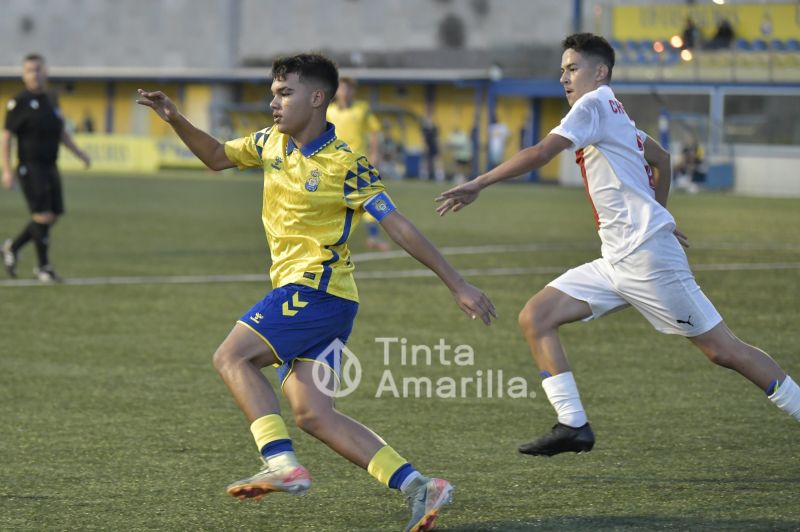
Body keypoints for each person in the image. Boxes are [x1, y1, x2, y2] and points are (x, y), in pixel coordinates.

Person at [137, 53, 496, 531]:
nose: (274, 102)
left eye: (285, 93)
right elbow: (218, 156)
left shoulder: (345, 163)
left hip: (316, 292)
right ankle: (419, 485)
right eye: (273, 93)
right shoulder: (269, 143)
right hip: (327, 301)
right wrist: (175, 118)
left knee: (232, 357)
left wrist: (457, 283)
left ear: (317, 97)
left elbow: (398, 225)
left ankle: (282, 466)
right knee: (313, 414)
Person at [436, 33, 799, 457]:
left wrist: (479, 182)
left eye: (572, 69)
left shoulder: (593, 105)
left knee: (724, 350)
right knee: (537, 316)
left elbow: (539, 152)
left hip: (647, 260)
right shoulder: (617, 115)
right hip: (617, 262)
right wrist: (659, 215)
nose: (564, 78)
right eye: (562, 71)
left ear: (600, 72)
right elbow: (660, 158)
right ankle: (573, 425)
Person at [2, 53, 91, 282]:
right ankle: (43, 268)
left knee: (53, 215)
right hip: (30, 167)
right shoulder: (19, 102)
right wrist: (7, 169)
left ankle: (12, 248)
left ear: (46, 71)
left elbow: (61, 132)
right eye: (30, 70)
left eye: (38, 69)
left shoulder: (51, 100)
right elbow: (6, 137)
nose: (35, 73)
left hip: (51, 165)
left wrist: (79, 153)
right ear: (23, 75)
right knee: (42, 216)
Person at [326, 77, 390, 251]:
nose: (344, 92)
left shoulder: (362, 109)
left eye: (348, 89)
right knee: (330, 202)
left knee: (370, 198)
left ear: (353, 91)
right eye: (341, 89)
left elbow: (375, 130)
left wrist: (375, 153)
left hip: (357, 164)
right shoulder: (329, 111)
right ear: (336, 91)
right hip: (333, 165)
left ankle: (373, 237)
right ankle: (325, 240)